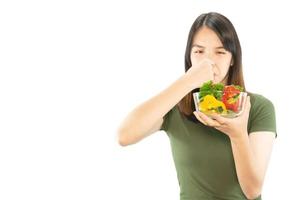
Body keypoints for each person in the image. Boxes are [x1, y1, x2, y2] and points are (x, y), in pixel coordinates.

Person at [117, 12, 276, 200]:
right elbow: (124, 136)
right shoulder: (176, 107)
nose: (208, 61)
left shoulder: (257, 107)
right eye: (199, 52)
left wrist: (238, 134)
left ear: (232, 58)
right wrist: (187, 82)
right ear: (189, 57)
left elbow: (252, 190)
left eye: (220, 52)